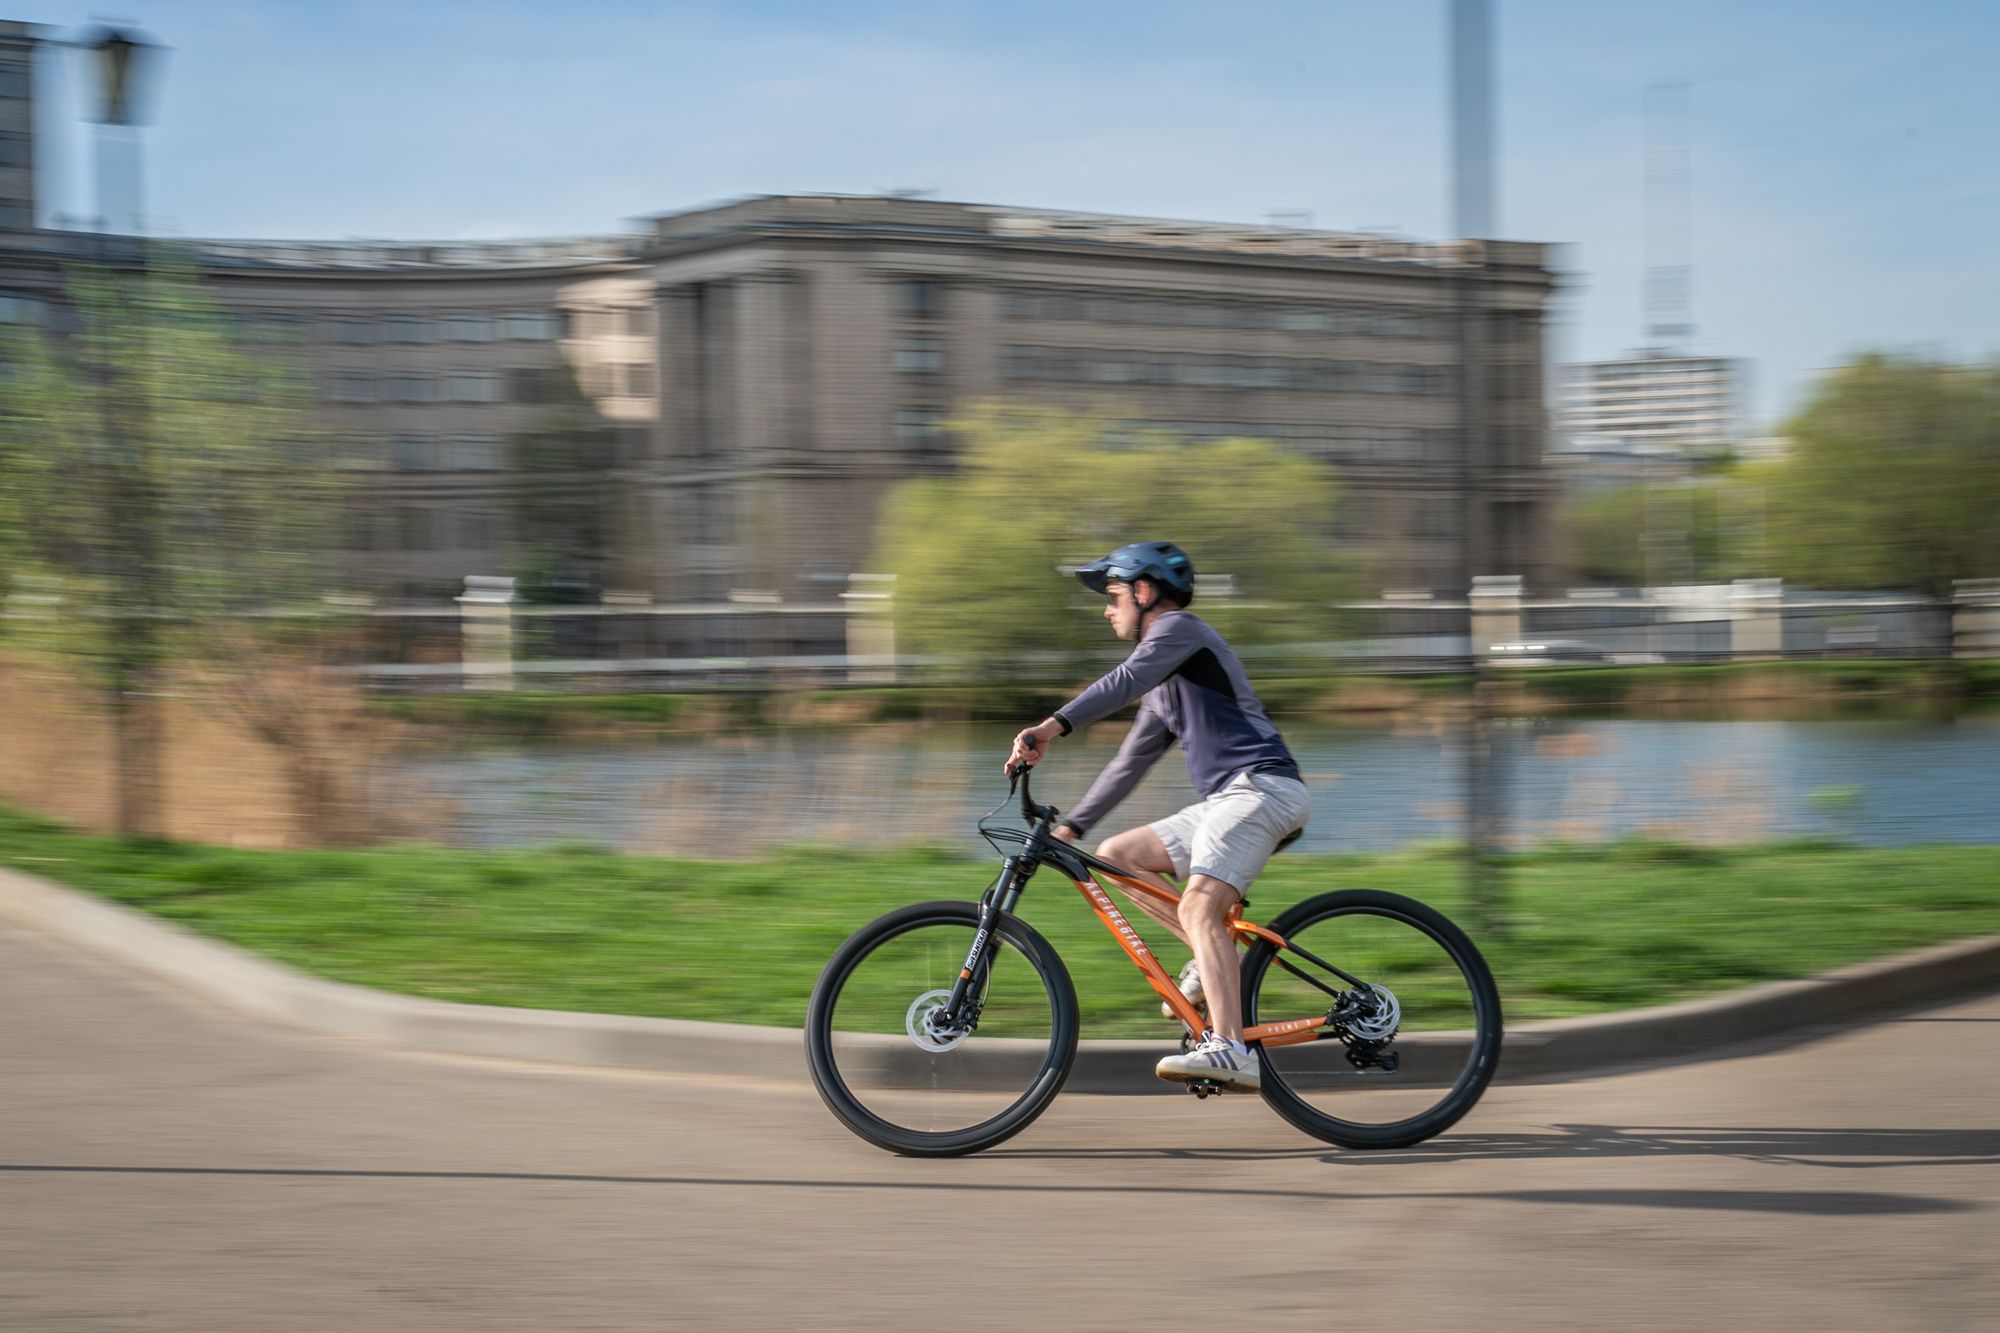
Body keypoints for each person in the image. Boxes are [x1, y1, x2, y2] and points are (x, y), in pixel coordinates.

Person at [1004, 541, 1309, 1092]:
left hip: (1261, 788)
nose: (1107, 610)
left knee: (1198, 905)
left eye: (1113, 596)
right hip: (1229, 800)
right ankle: (1211, 960)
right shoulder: (1164, 686)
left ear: (1144, 592)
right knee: (1118, 856)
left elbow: (1123, 680)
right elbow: (1129, 763)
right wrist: (1072, 827)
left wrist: (1049, 727)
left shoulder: (1179, 630)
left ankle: (1231, 1049)